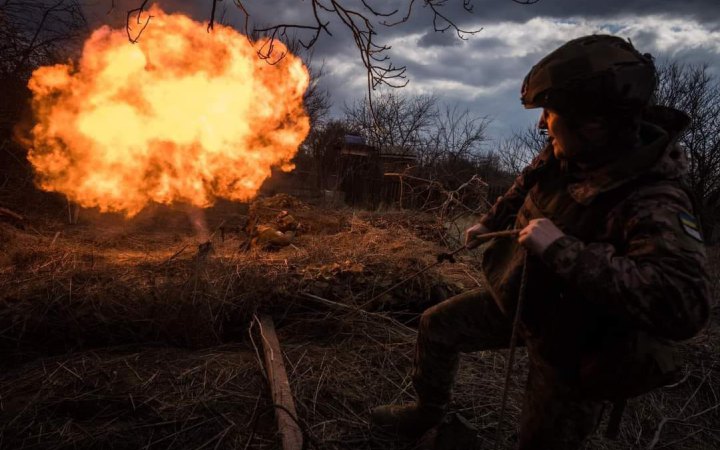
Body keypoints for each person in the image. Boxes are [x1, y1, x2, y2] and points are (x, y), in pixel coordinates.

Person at [371, 35, 711, 449]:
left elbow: (684, 305)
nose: (541, 124)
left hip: (577, 346)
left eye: (550, 112)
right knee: (436, 325)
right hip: (524, 301)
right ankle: (425, 412)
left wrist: (562, 249)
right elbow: (523, 186)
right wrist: (488, 222)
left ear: (594, 123)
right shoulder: (568, 152)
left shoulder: (655, 199)